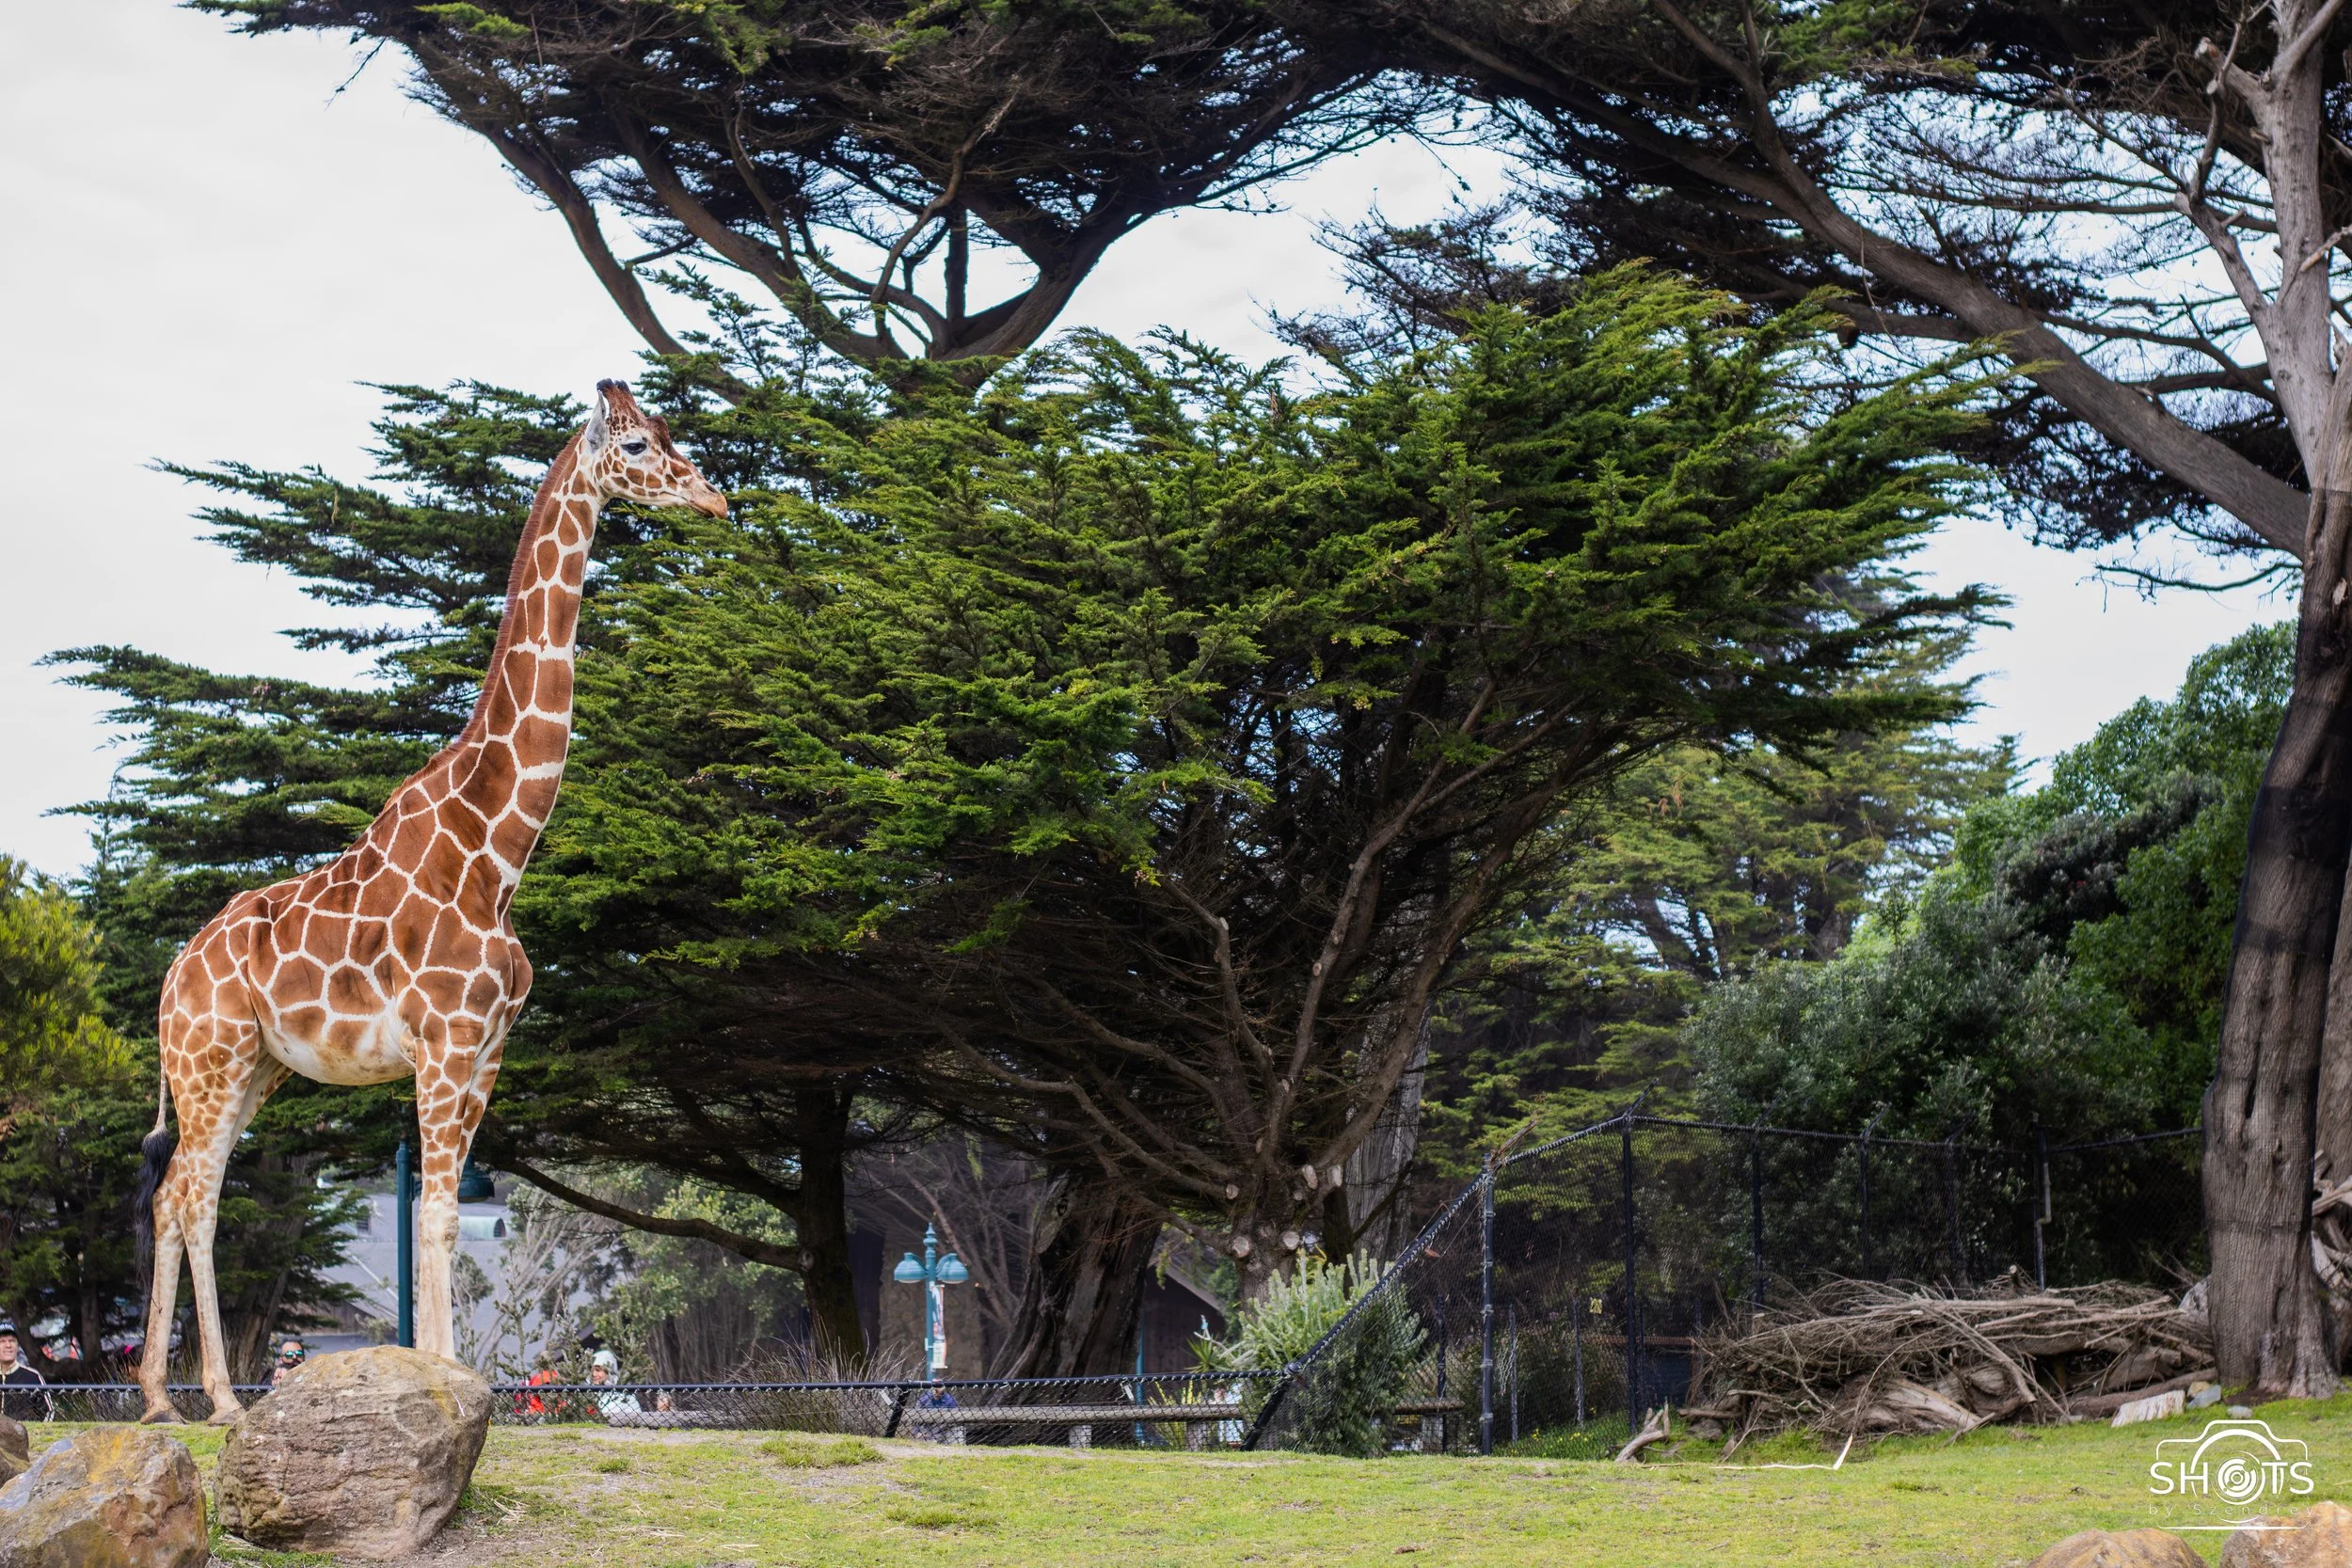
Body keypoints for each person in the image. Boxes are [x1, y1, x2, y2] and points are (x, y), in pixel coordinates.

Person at [0, 1324, 50, 1421]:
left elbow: (48, 1412)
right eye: (2, 1341)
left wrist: (35, 1430)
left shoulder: (33, 1376)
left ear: (17, 1345)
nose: (8, 1345)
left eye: (12, 1341)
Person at [587, 1348, 639, 1419]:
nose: (593, 1374)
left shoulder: (625, 1395)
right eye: (591, 1370)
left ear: (609, 1371)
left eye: (598, 1370)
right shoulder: (587, 1394)